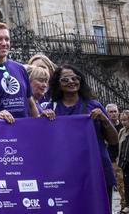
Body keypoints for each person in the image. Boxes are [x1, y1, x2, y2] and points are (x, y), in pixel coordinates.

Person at [41, 65, 118, 210]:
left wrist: (104, 120)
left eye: (75, 78)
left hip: (97, 171)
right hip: (67, 173)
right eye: (65, 79)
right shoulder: (52, 108)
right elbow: (44, 143)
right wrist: (43, 119)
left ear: (80, 81)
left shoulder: (93, 106)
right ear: (58, 83)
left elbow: (113, 141)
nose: (71, 81)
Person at [109, 104, 126, 211]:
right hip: (110, 159)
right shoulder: (105, 125)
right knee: (117, 184)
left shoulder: (123, 126)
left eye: (115, 111)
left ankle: (124, 205)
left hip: (121, 159)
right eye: (110, 112)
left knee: (122, 184)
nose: (113, 114)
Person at [118, 110, 129, 213]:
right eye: (121, 120)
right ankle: (127, 206)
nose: (123, 122)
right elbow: (120, 147)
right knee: (126, 185)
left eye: (125, 120)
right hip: (124, 163)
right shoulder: (122, 131)